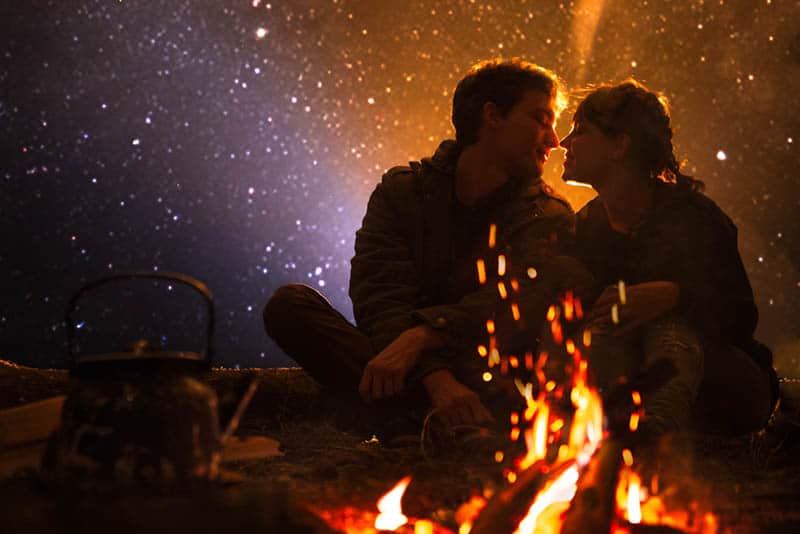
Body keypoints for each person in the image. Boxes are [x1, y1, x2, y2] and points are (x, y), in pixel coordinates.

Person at [263, 59, 592, 433]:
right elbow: (381, 295)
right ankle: (426, 416)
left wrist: (424, 335)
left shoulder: (547, 215)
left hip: (484, 367)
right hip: (408, 362)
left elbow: (505, 308)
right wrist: (435, 379)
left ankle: (393, 414)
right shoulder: (404, 193)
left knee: (508, 360)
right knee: (291, 306)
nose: (554, 140)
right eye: (541, 120)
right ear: (492, 116)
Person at [560, 80, 779, 437]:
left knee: (669, 329)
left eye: (580, 131)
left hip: (721, 382)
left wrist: (675, 296)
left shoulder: (694, 217)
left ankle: (658, 432)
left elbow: (740, 317)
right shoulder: (586, 226)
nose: (563, 143)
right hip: (630, 375)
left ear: (619, 145)